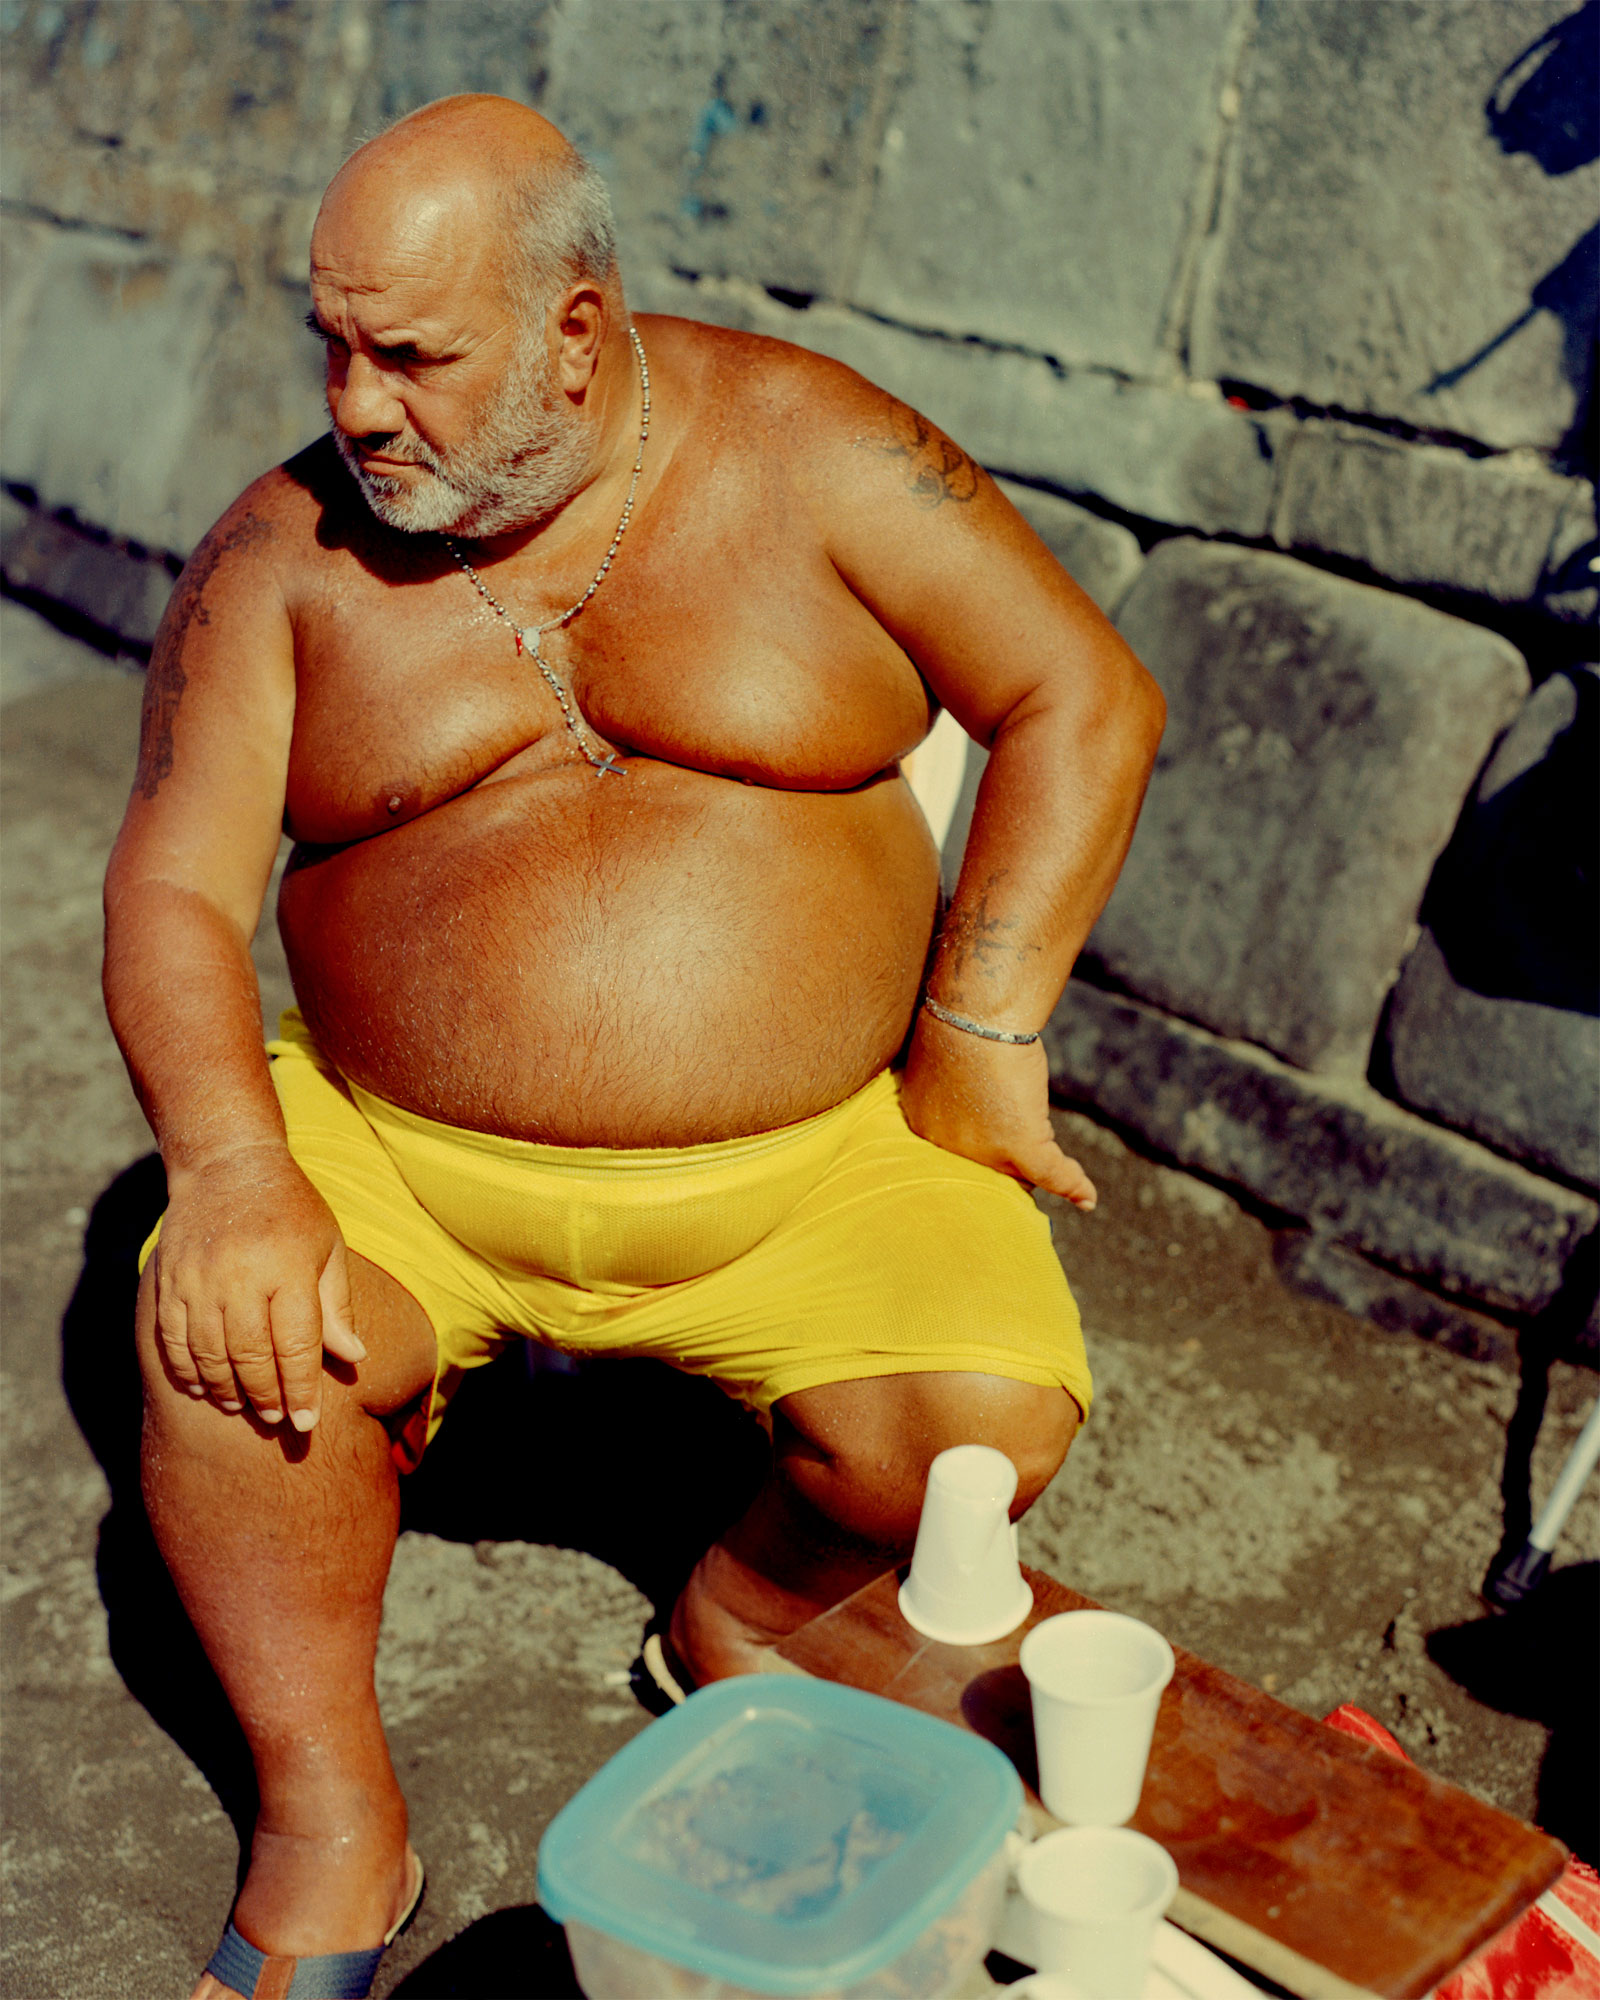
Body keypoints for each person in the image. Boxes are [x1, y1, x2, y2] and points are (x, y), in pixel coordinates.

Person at [103, 93, 1164, 2000]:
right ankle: (330, 1820)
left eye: (413, 354)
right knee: (226, 1356)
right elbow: (174, 889)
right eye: (330, 344)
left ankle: (744, 1610)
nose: (354, 405)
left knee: (972, 1434)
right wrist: (237, 1173)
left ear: (574, 331)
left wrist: (985, 1023)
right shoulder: (278, 556)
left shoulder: (816, 448)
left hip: (813, 1160)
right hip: (398, 1156)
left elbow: (1077, 689)